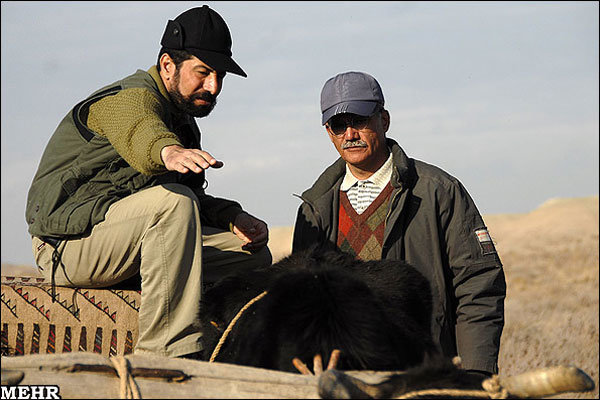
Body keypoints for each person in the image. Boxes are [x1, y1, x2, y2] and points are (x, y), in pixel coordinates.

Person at [25, 5, 272, 359]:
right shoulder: (129, 97)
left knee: (251, 255)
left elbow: (188, 200)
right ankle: (164, 353)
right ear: (168, 65)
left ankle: (226, 342)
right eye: (203, 72)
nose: (213, 86)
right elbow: (142, 132)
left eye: (219, 76)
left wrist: (233, 217)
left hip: (126, 242)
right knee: (173, 204)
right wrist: (167, 151)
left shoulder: (182, 121)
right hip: (66, 246)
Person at [292, 71, 506, 377]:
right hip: (346, 380)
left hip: (423, 372)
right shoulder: (315, 208)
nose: (350, 133)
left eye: (360, 120)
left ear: (384, 120)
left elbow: (479, 286)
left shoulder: (438, 191)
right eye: (339, 125)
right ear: (328, 131)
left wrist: (476, 374)